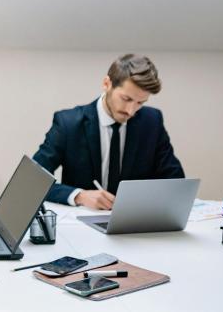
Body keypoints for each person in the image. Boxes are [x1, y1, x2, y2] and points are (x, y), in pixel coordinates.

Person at [33, 54, 184, 210]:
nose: (131, 111)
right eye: (126, 99)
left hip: (135, 223)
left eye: (140, 102)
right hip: (82, 224)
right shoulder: (68, 123)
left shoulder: (152, 121)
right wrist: (79, 196)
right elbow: (32, 180)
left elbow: (175, 180)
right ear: (107, 84)